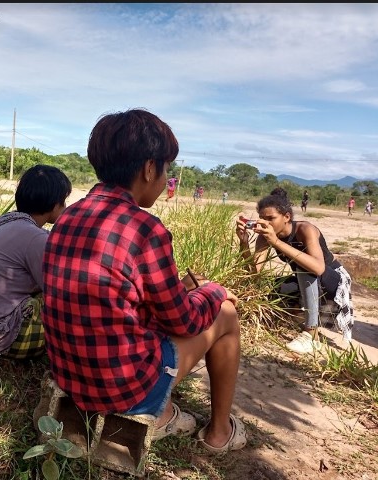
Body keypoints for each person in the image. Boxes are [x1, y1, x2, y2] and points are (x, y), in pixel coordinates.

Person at [42, 109, 246, 453]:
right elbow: (184, 321)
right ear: (149, 168)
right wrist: (213, 291)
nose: (166, 178)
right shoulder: (146, 230)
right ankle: (219, 434)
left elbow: (119, 298)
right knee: (224, 314)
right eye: (166, 169)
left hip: (71, 377)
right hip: (122, 389)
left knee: (176, 312)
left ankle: (165, 413)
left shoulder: (68, 216)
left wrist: (181, 290)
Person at [0, 164, 72, 360]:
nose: (65, 207)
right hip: (7, 337)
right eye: (63, 201)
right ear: (53, 203)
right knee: (72, 306)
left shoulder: (5, 223)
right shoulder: (35, 238)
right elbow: (55, 289)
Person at [236, 189, 354, 355]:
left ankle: (311, 335)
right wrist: (244, 244)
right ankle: (298, 314)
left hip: (333, 282)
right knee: (271, 288)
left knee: (303, 266)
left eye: (271, 218)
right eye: (262, 218)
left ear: (287, 217)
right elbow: (254, 274)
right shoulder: (266, 236)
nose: (265, 223)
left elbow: (318, 268)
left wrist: (276, 242)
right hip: (307, 282)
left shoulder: (305, 229)